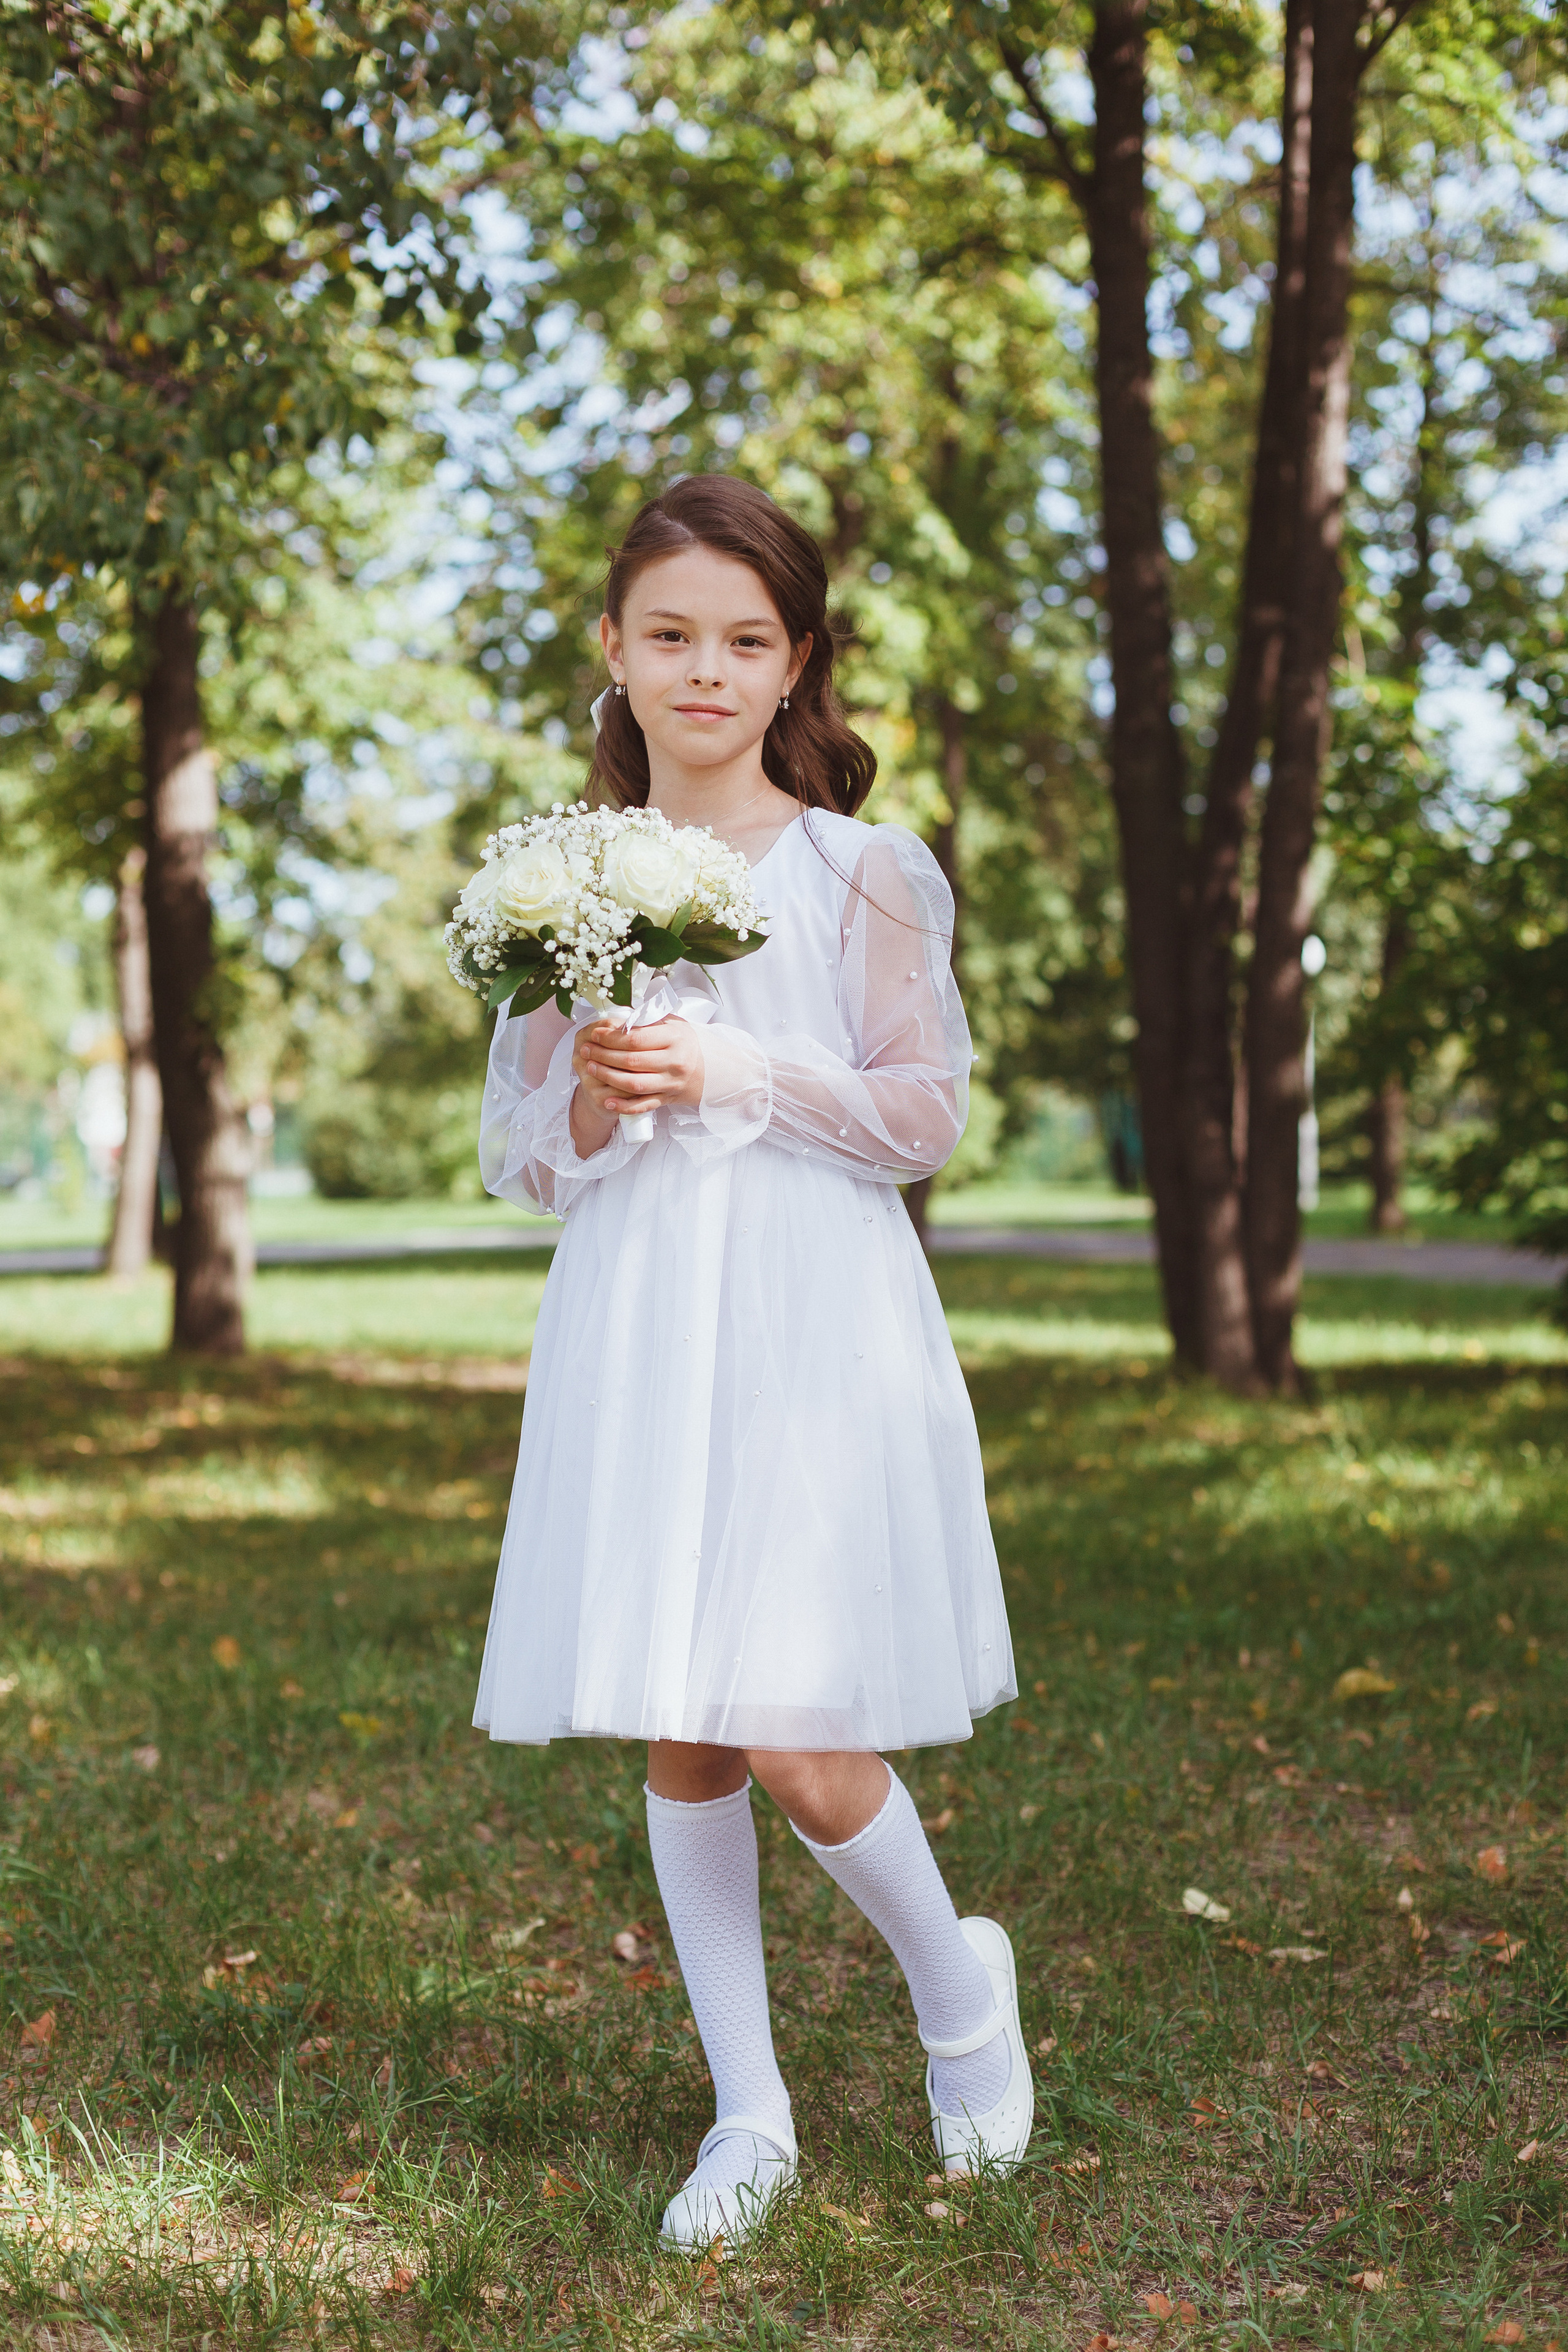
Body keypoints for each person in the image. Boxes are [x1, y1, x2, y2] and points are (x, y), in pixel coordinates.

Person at [472, 473, 1031, 2250]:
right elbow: (525, 1160)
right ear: (615, 655)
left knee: (795, 1724)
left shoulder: (865, 870)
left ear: (794, 665)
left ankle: (962, 1997)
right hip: (645, 1304)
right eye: (671, 635)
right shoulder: (557, 879)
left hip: (808, 1307)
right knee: (688, 1724)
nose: (705, 669)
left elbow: (923, 1116)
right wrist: (592, 1089)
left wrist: (739, 1077)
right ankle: (750, 2112)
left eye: (745, 639)